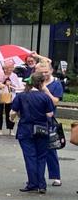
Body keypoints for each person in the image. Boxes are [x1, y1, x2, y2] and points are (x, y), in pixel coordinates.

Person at [10, 73, 56, 194]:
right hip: (42, 129)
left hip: (25, 129)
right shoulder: (45, 97)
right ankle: (42, 184)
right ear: (41, 83)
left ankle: (33, 183)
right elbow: (50, 114)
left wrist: (12, 118)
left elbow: (13, 112)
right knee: (41, 157)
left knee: (30, 157)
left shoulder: (21, 96)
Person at [37, 59, 64, 187]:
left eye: (46, 72)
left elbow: (56, 102)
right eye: (42, 72)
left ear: (51, 71)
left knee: (50, 148)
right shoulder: (36, 81)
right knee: (36, 149)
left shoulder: (56, 84)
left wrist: (46, 91)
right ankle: (37, 176)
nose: (44, 75)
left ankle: (55, 176)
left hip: (49, 120)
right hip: (36, 118)